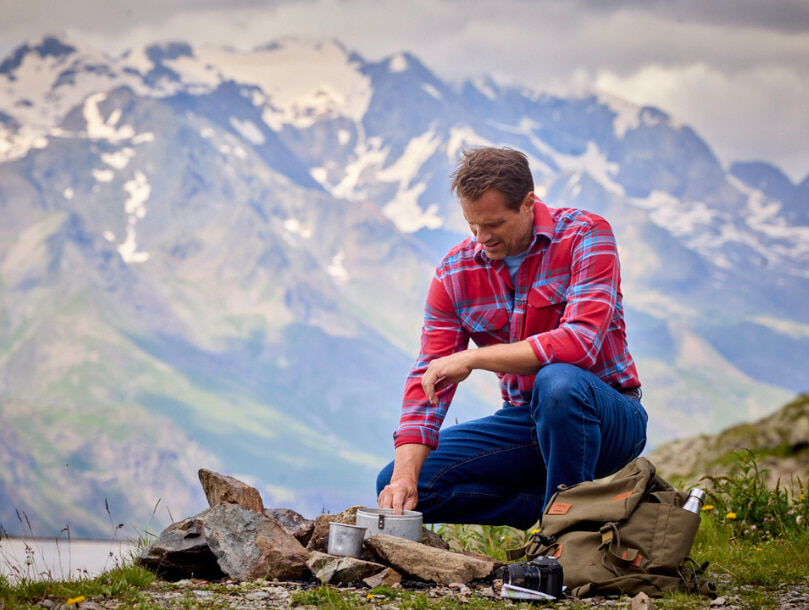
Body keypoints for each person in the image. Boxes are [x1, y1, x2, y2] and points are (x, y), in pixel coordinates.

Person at [376, 147, 647, 529]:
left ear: (528, 204)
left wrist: (473, 359)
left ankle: (564, 540)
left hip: (608, 415)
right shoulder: (455, 272)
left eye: (493, 224)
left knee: (559, 382)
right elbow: (429, 377)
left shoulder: (587, 235)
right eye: (473, 225)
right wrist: (404, 475)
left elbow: (579, 343)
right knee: (406, 485)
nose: (481, 237)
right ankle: (581, 511)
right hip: (526, 423)